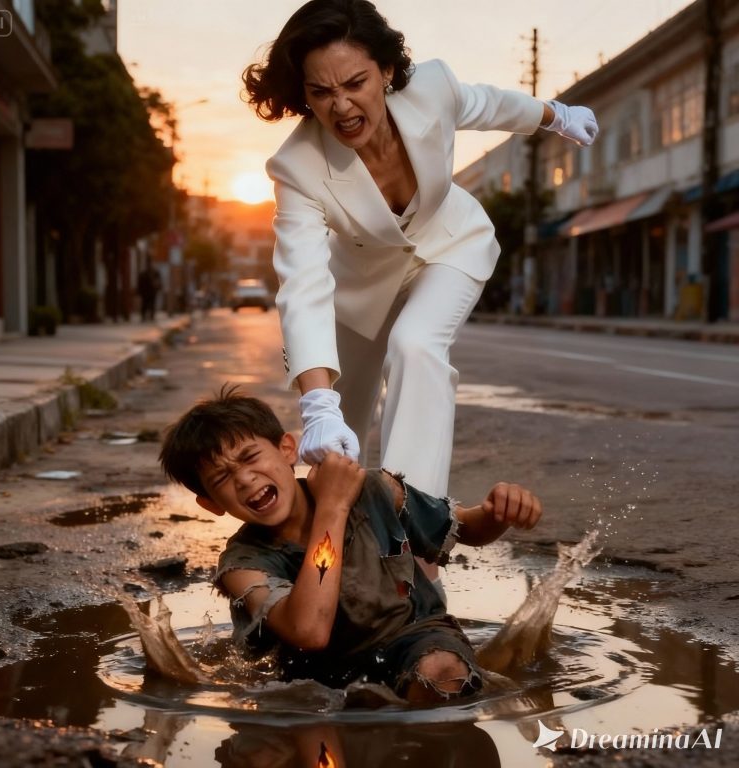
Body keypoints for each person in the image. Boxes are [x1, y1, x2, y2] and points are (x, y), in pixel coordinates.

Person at [243, 0, 594, 585]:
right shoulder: (297, 167)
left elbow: (488, 103)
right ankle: (327, 561)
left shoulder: (430, 88)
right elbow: (301, 280)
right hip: (358, 292)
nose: (342, 105)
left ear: (386, 71)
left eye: (355, 83)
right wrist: (317, 403)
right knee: (338, 441)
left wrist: (553, 115)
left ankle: (414, 551)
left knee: (416, 345)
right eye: (321, 91)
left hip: (449, 246)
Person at [159, 386, 543, 704]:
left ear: (288, 449)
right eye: (223, 477)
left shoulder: (373, 489)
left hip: (413, 636)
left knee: (442, 674)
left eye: (250, 457)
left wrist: (498, 512)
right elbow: (310, 632)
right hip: (315, 674)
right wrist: (333, 507)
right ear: (211, 503)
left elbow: (464, 529)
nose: (244, 479)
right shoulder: (241, 566)